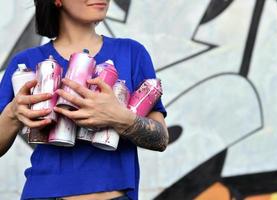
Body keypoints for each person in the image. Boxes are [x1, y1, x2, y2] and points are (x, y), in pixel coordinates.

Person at [0, 0, 169, 199]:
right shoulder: (26, 62)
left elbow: (161, 139)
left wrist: (120, 118)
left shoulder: (131, 53)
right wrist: (12, 114)